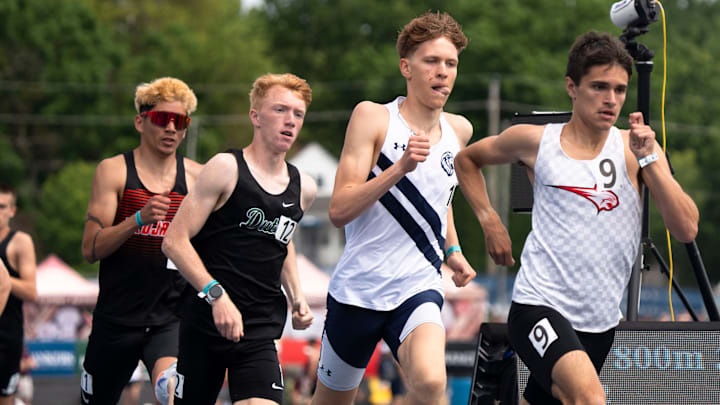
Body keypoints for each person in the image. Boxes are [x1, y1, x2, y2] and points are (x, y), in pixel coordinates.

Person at [454, 31, 699, 405]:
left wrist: (651, 159)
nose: (611, 99)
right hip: (539, 305)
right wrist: (490, 221)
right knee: (589, 398)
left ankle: (509, 390)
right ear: (572, 86)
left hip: (600, 322)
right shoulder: (536, 141)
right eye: (599, 87)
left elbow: (686, 229)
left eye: (619, 89)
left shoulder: (636, 150)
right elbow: (467, 160)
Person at [310, 11, 476, 405]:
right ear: (406, 67)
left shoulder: (460, 130)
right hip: (359, 291)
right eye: (431, 61)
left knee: (433, 385)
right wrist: (400, 168)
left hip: (417, 286)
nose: (443, 72)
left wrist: (452, 250)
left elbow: (441, 198)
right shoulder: (373, 117)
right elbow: (339, 209)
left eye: (450, 63)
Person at [161, 72, 317, 405]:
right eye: (280, 110)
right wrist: (216, 296)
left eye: (298, 114)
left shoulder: (304, 187)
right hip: (205, 325)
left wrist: (297, 295)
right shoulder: (225, 168)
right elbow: (174, 241)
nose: (290, 121)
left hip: (258, 330)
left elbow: (281, 239)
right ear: (255, 116)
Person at [79, 77, 203, 404]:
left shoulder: (196, 177)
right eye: (163, 119)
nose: (172, 128)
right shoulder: (114, 172)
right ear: (141, 121)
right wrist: (136, 220)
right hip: (116, 319)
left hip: (170, 319)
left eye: (181, 122)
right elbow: (90, 249)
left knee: (173, 393)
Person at [0, 184, 37, 405]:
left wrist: (3, 278)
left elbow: (31, 291)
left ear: (12, 211)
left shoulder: (20, 242)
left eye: (2, 206)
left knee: (5, 398)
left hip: (6, 337)